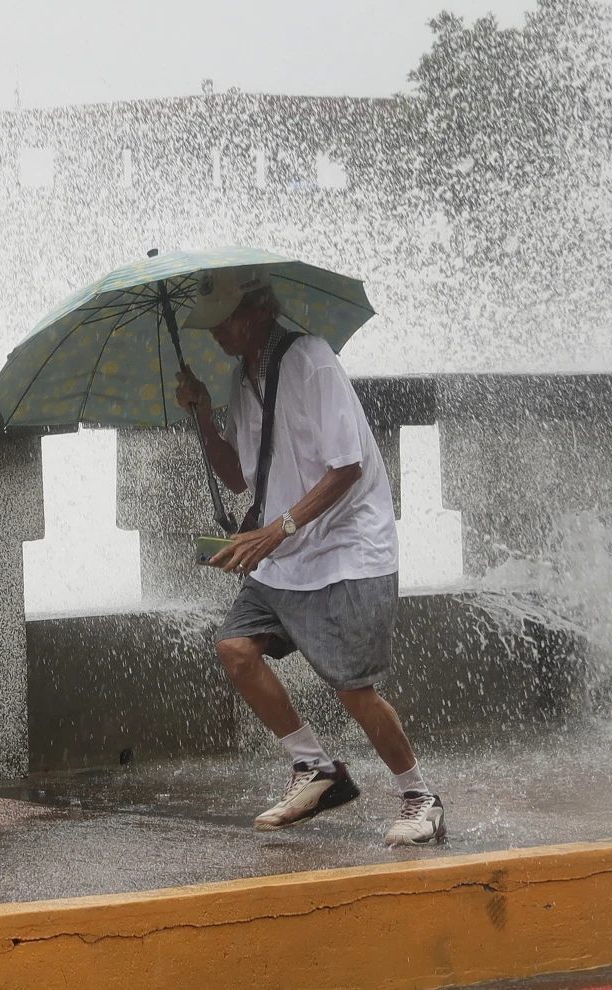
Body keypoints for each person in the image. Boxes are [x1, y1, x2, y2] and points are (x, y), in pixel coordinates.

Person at [173, 267, 446, 847]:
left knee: (352, 688)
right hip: (286, 554)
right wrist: (199, 410)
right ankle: (317, 768)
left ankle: (420, 794)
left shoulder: (311, 359)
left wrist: (278, 530)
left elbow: (346, 466)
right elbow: (239, 477)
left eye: (221, 323)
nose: (215, 335)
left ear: (254, 312)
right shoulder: (237, 378)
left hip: (348, 550)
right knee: (235, 649)